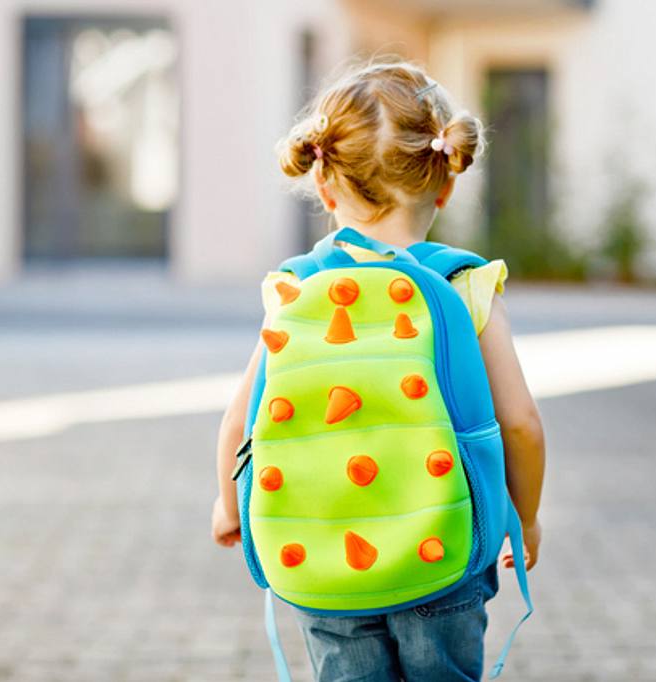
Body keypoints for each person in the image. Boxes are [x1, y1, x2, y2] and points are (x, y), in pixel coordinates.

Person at [212, 59, 545, 682]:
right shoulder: (465, 283)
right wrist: (522, 519)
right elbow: (520, 422)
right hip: (442, 546)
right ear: (444, 185)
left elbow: (242, 417)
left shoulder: (294, 287)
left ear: (326, 187)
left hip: (324, 555)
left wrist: (228, 505)